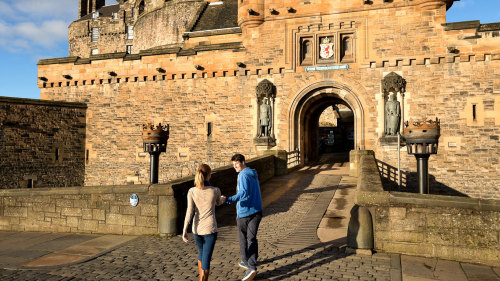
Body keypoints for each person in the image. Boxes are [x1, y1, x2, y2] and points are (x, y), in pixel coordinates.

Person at [221, 154, 263, 281]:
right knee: (252, 239)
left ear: (243, 162)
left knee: (244, 239)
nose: (235, 167)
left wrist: (228, 200)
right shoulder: (253, 173)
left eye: (237, 165)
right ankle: (249, 263)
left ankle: (250, 266)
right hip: (257, 210)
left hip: (244, 213)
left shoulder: (243, 174)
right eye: (233, 165)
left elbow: (243, 193)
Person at [183, 164, 223, 281]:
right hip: (210, 229)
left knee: (201, 254)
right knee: (206, 261)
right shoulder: (215, 190)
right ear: (209, 175)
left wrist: (185, 229)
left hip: (196, 229)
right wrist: (223, 199)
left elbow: (189, 211)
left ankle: (201, 278)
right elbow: (218, 202)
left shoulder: (192, 191)